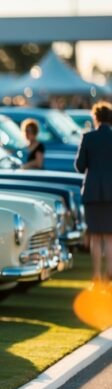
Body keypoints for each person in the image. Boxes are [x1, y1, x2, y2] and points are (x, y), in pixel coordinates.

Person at [75, 101, 112, 284]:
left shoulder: (88, 138)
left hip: (93, 193)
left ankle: (97, 275)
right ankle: (109, 275)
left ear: (96, 118)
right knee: (110, 237)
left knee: (96, 237)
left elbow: (80, 167)